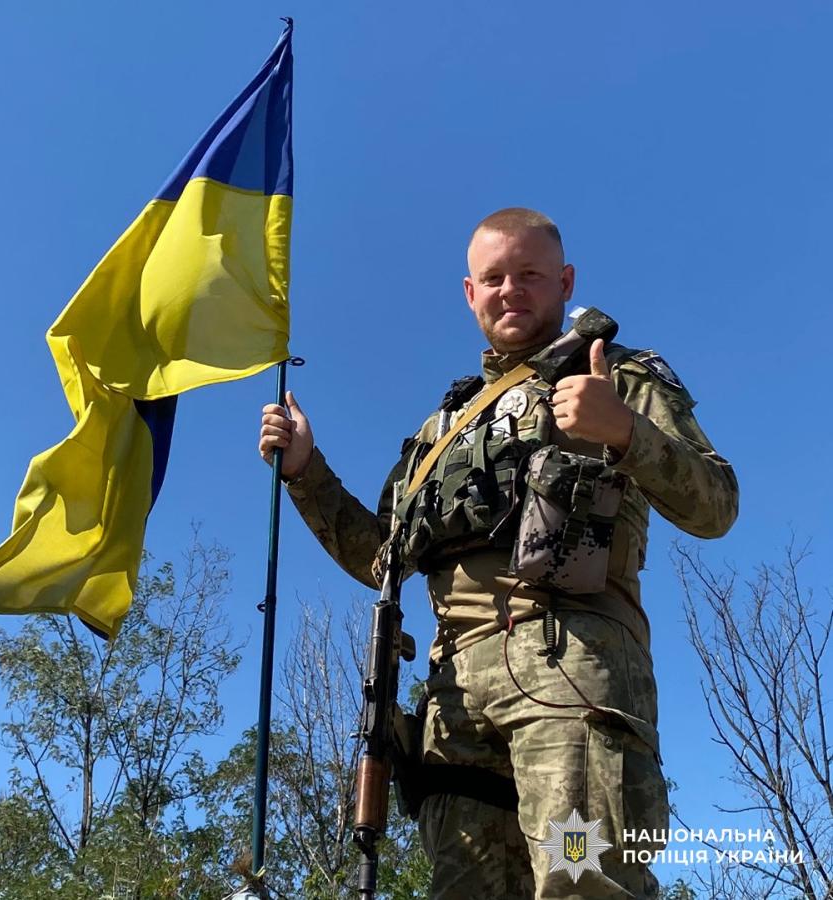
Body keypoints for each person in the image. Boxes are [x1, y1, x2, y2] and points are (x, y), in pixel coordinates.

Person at [258, 208, 738, 899]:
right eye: (494, 278)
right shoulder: (442, 432)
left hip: (569, 666)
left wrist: (625, 431)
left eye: (530, 274)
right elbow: (382, 560)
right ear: (470, 292)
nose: (511, 290)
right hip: (453, 700)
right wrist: (307, 473)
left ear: (565, 281)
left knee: (585, 885)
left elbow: (716, 503)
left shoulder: (616, 373)